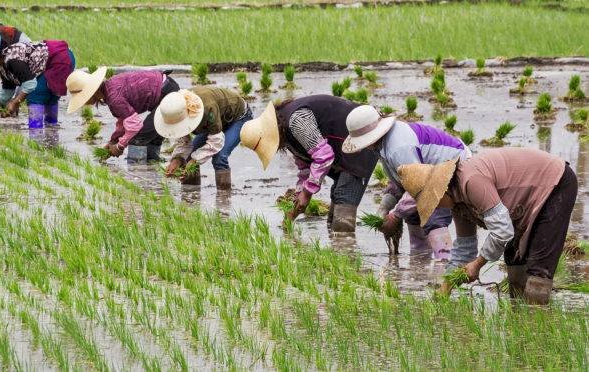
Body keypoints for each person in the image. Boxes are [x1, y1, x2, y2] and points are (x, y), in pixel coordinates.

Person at [397, 148, 577, 305]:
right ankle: (519, 323)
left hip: (554, 183)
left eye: (433, 203)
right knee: (514, 260)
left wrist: (478, 264)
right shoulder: (459, 204)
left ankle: (537, 328)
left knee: (539, 268)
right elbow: (465, 249)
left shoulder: (471, 181)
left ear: (441, 191)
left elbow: (502, 231)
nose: (436, 208)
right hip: (522, 204)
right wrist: (447, 285)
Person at [342, 106, 471, 260]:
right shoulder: (382, 144)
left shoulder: (399, 147)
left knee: (433, 217)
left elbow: (421, 186)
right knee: (413, 215)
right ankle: (418, 270)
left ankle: (444, 267)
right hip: (429, 174)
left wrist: (395, 216)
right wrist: (384, 209)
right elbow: (401, 181)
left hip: (455, 168)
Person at [240, 95, 379, 232]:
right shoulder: (285, 131)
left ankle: (347, 249)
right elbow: (305, 166)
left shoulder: (296, 121)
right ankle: (340, 249)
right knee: (334, 217)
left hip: (362, 140)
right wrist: (299, 194)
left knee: (343, 202)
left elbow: (324, 156)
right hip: (343, 150)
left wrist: (306, 194)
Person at [66, 68, 179, 163]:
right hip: (168, 86)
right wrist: (113, 141)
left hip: (167, 95)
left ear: (92, 93)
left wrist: (120, 146)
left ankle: (136, 171)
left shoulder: (114, 97)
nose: (85, 103)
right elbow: (123, 119)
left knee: (138, 139)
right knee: (151, 133)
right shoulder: (110, 88)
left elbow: (135, 125)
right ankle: (151, 163)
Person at [154, 87, 252, 190]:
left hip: (238, 117)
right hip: (215, 121)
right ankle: (191, 198)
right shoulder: (177, 112)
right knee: (188, 157)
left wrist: (195, 160)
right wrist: (177, 160)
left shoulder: (206, 108)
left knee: (220, 157)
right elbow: (184, 142)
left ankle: (224, 199)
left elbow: (216, 141)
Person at [0, 32, 75, 129]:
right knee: (47, 96)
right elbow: (8, 87)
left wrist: (15, 102)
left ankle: (36, 131)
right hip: (50, 62)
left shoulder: (13, 60)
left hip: (60, 59)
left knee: (36, 96)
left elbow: (30, 84)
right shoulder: (2, 64)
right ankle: (51, 129)